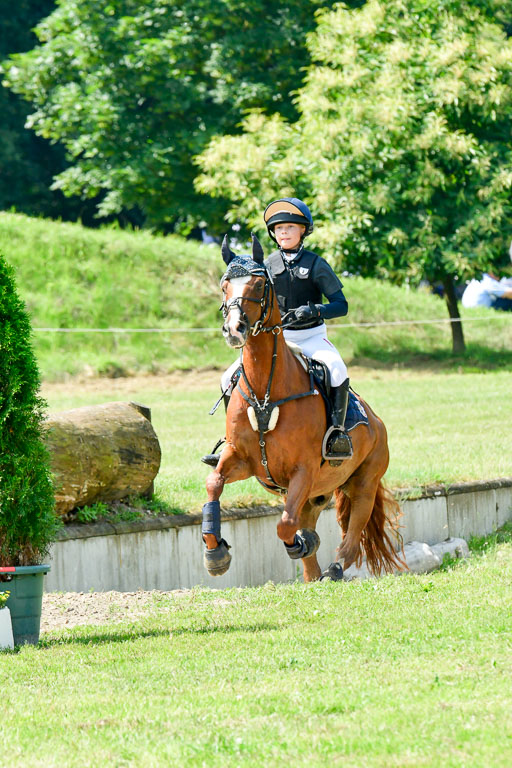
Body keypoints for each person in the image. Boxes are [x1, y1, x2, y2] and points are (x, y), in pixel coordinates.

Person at [202, 197, 353, 467]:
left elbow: (341, 305)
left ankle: (336, 435)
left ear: (303, 230)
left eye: (290, 227)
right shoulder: (266, 265)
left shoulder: (317, 264)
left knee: (337, 369)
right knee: (227, 379)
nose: (284, 232)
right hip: (278, 338)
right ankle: (230, 440)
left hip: (310, 337)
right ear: (273, 233)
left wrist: (315, 310)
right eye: (279, 228)